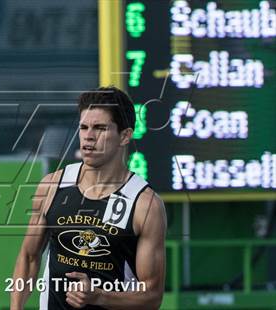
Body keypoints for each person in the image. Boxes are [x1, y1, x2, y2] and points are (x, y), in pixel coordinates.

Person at [11, 86, 167, 309]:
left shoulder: (145, 204)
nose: (88, 136)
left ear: (125, 136)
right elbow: (29, 257)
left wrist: (100, 297)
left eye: (100, 128)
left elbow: (152, 296)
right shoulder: (52, 185)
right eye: (83, 127)